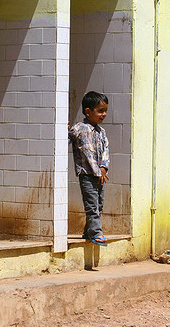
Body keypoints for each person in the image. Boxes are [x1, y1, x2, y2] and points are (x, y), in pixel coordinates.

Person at [68, 91, 110, 246]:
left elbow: (106, 150)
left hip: (100, 175)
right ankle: (96, 233)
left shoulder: (101, 132)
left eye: (105, 110)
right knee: (92, 204)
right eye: (100, 111)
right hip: (87, 175)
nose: (104, 114)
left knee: (99, 204)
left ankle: (88, 231)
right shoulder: (80, 129)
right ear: (88, 111)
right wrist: (65, 130)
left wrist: (104, 168)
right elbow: (86, 152)